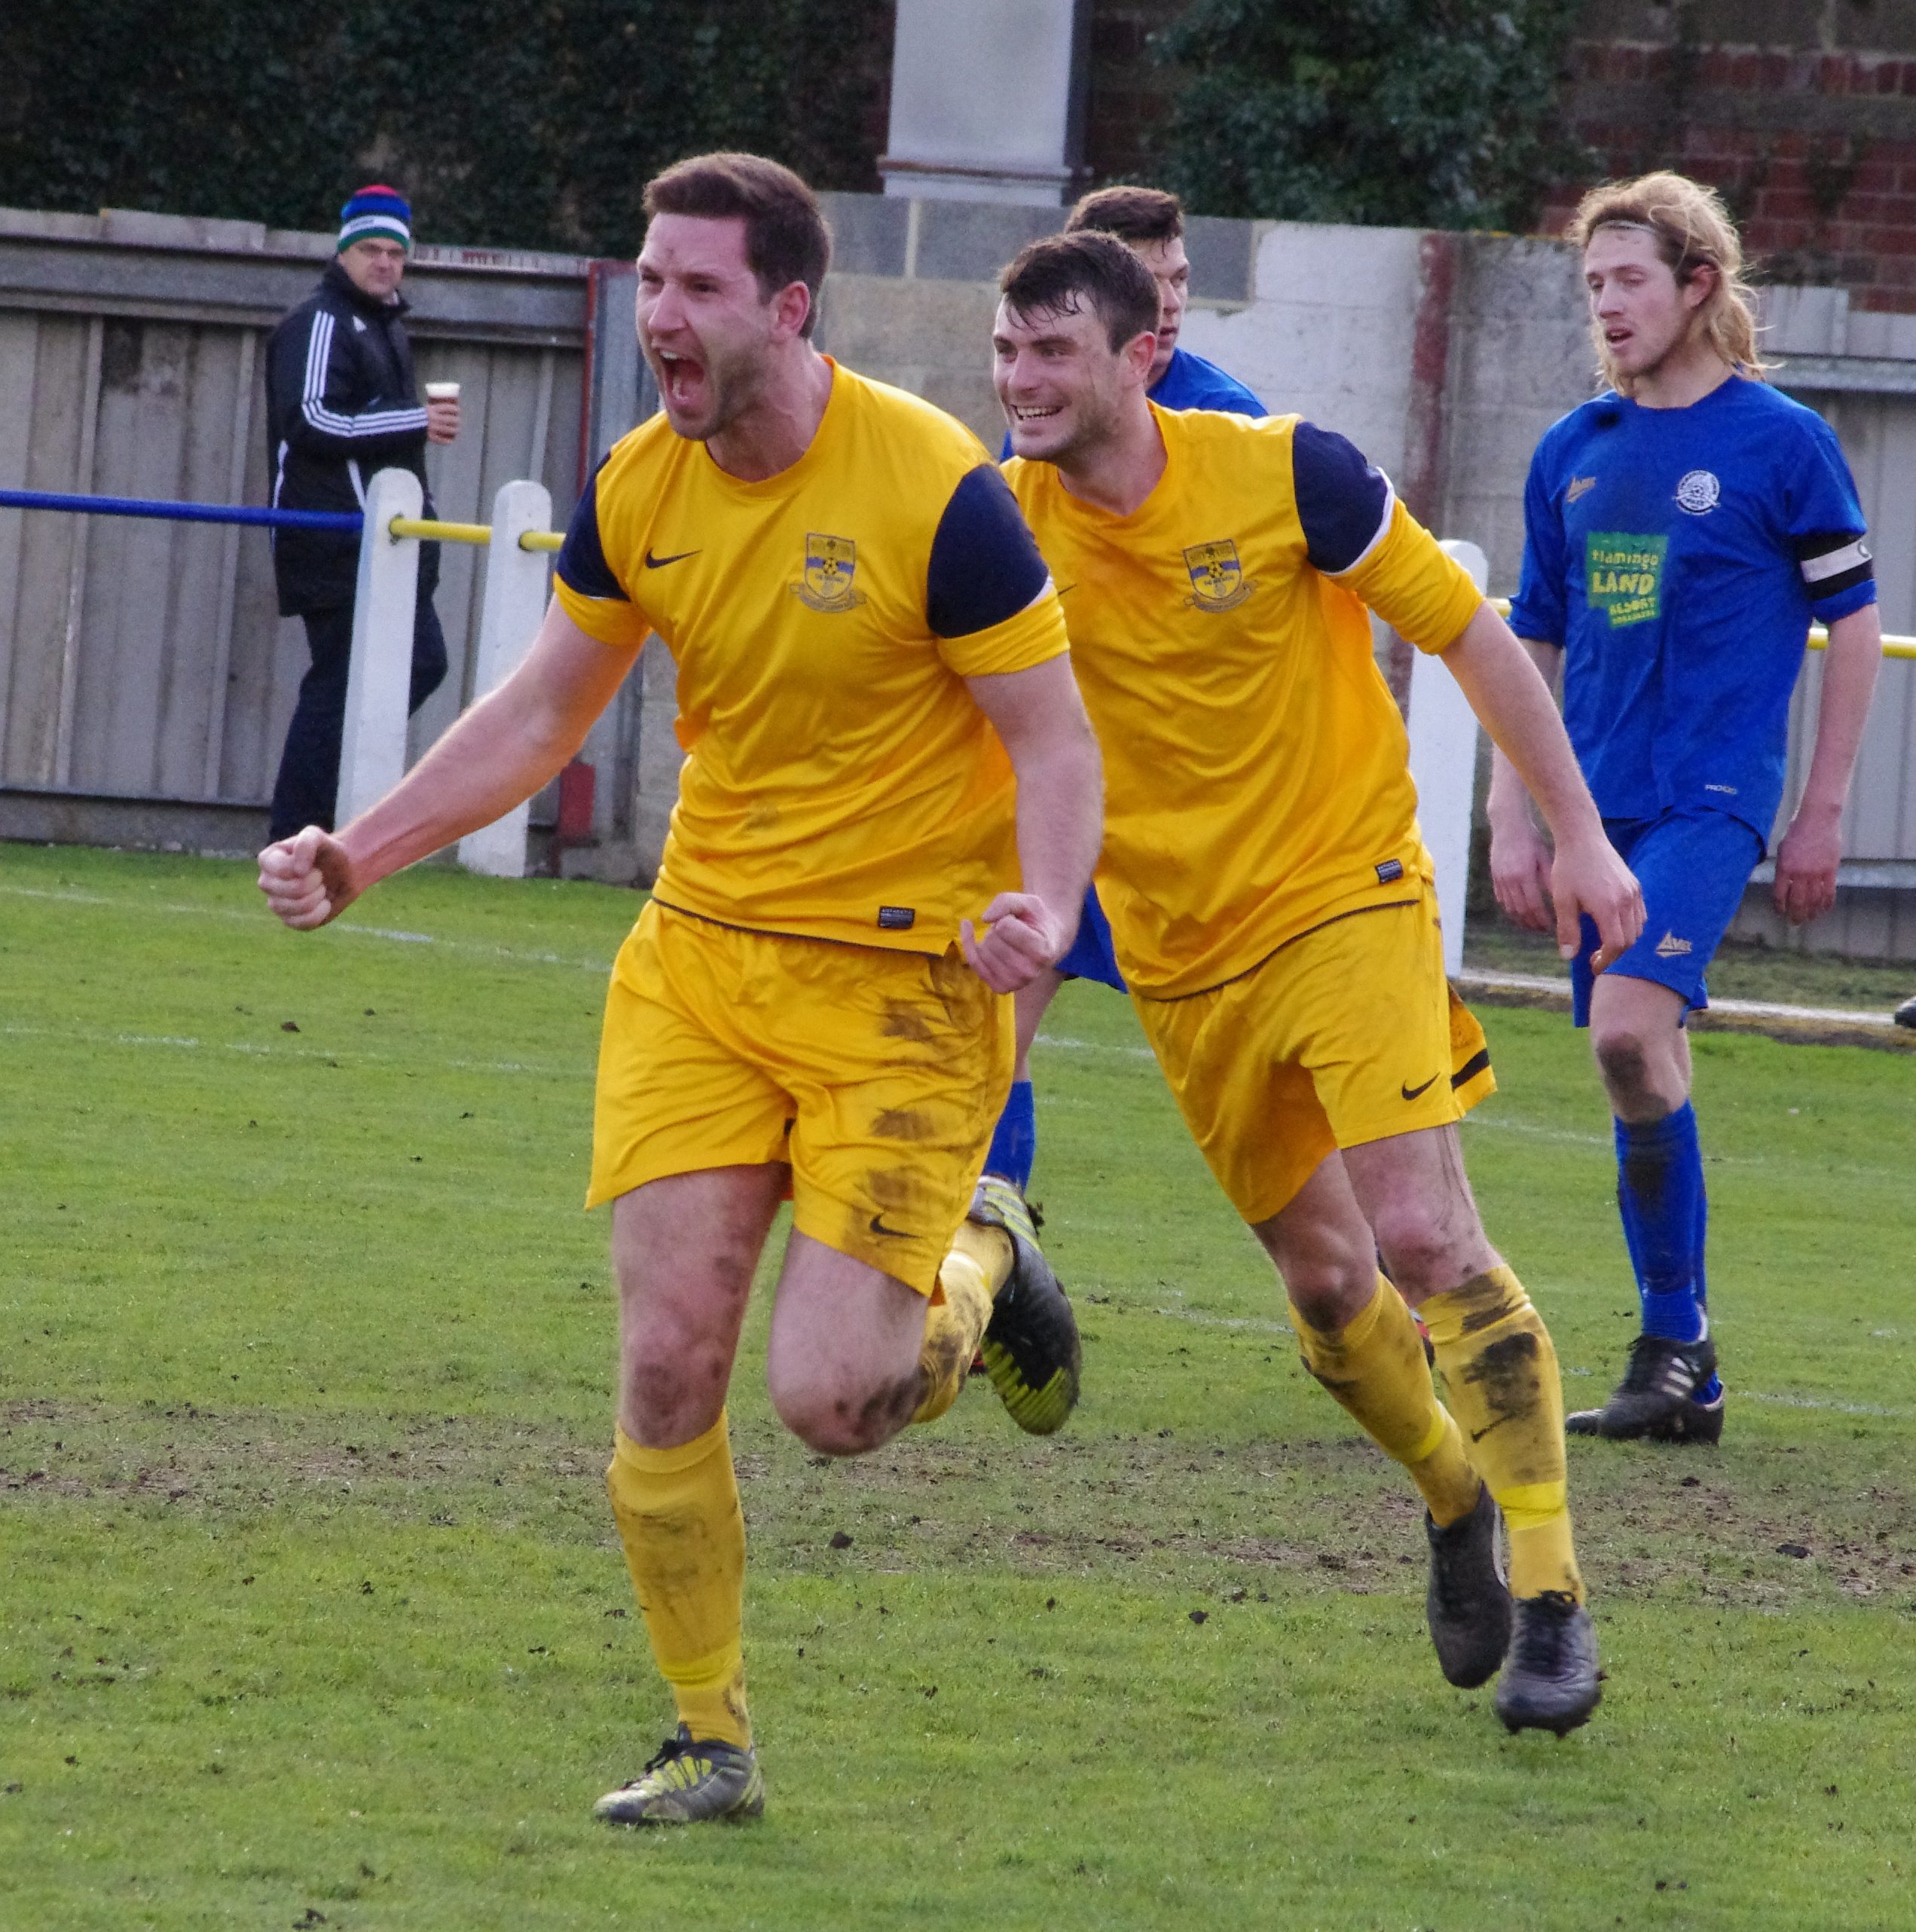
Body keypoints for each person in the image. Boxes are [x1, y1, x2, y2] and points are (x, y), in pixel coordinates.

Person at [258, 154, 1102, 1823]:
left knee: (832, 1402)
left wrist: (1046, 908)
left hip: (897, 991)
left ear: (786, 310)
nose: (660, 314)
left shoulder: (937, 493)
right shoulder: (639, 484)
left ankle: (979, 1262)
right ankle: (708, 1735)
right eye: (649, 281)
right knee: (662, 1367)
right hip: (700, 969)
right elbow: (535, 713)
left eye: (697, 288)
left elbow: (1052, 737)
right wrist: (367, 850)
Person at [992, 230, 1646, 1735]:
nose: (1020, 382)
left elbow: (1471, 635)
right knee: (1324, 1283)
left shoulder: (1290, 472)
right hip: (1179, 955)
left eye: (1050, 354)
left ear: (1141, 353)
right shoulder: (996, 526)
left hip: (1346, 893)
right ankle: (1446, 1495)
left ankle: (1551, 1595)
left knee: (1419, 1229)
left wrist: (1576, 833)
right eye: (1005, 355)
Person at [1493, 174, 1883, 1446]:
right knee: (1638, 1059)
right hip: (1590, 816)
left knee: (1622, 1031)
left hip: (1710, 802)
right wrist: (1513, 816)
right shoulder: (1571, 451)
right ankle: (1684, 1365)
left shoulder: (1779, 441)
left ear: (1698, 286)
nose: (1604, 306)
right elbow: (1528, 647)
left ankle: (1671, 1334)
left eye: (1628, 282)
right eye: (1591, 285)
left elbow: (1854, 623)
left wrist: (1819, 809)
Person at [985, 185, 1266, 1196]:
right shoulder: (1035, 417)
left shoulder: (1231, 428)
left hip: (1189, 819)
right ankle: (991, 1256)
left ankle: (1387, 1287)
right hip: (1067, 795)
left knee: (1279, 1078)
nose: (1172, 299)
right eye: (1151, 280)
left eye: (1182, 278)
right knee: (988, 1027)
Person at [264, 183, 458, 840]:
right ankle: (296, 830)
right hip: (334, 540)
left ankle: (334, 810)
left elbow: (390, 450)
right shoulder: (317, 321)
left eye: (395, 253)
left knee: (422, 662)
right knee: (339, 681)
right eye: (371, 250)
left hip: (387, 544)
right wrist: (416, 420)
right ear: (343, 252)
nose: (384, 264)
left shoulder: (387, 329)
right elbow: (308, 419)